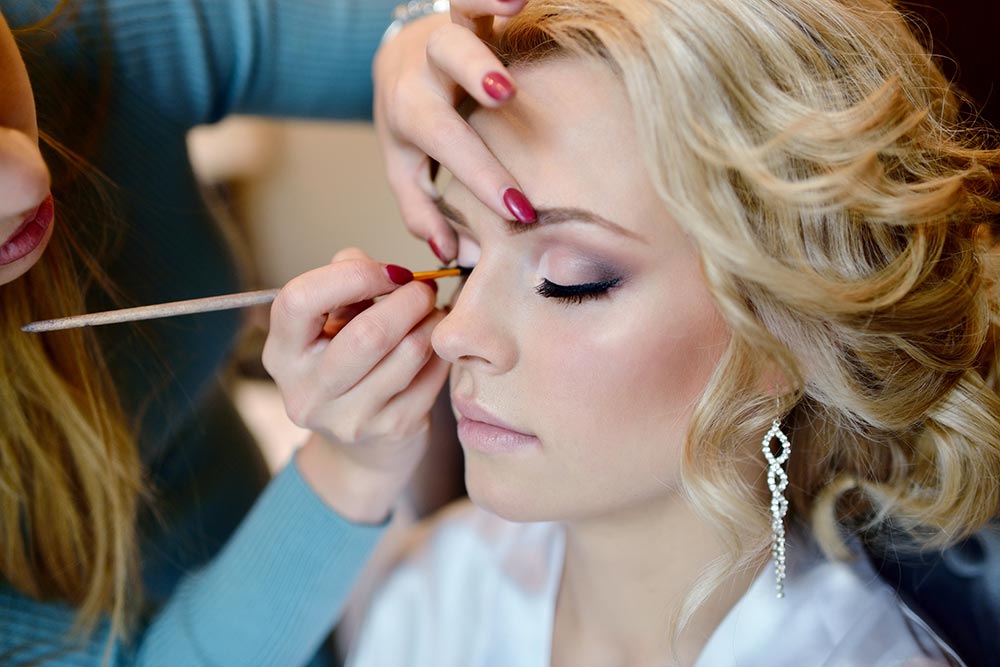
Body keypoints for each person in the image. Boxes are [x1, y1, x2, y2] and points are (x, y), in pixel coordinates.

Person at [261, 0, 1000, 665]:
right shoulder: (423, 602)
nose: (457, 334)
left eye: (571, 277)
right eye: (465, 258)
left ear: (793, 328)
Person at [0, 0, 532, 664]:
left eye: (576, 276)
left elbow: (537, 40)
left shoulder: (72, 25)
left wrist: (414, 30)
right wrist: (347, 468)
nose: (28, 175)